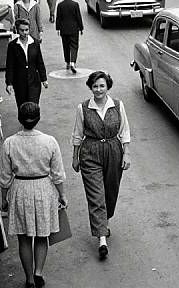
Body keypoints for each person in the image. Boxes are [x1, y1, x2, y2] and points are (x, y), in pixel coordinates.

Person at [0, 102, 66, 288]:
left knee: (24, 238)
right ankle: (38, 273)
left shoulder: (10, 143)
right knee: (42, 235)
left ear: (20, 119)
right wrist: (62, 195)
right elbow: (58, 174)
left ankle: (28, 279)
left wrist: (4, 198)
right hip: (44, 189)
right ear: (38, 119)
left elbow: (4, 176)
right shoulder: (49, 141)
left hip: (20, 189)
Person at [72, 71, 131, 260]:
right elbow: (77, 134)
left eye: (102, 86)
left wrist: (126, 153)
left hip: (114, 150)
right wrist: (75, 157)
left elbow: (125, 131)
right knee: (96, 195)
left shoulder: (118, 106)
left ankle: (104, 221)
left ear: (108, 87)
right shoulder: (82, 108)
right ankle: (102, 239)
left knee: (110, 191)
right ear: (91, 87)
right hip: (90, 152)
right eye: (95, 86)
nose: (98, 90)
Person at [6, 19, 48, 108]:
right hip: (19, 83)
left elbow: (39, 62)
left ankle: (33, 121)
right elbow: (10, 66)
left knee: (33, 107)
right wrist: (9, 83)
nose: (25, 33)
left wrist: (44, 79)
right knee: (23, 107)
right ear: (17, 30)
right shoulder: (13, 45)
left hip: (34, 82)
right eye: (22, 30)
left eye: (26, 30)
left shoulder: (35, 43)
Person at [56, 0, 84, 74]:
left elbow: (58, 18)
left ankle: (67, 62)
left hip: (64, 29)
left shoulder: (60, 5)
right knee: (74, 46)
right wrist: (81, 27)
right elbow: (78, 17)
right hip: (73, 29)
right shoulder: (75, 4)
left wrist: (58, 28)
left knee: (66, 46)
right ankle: (73, 62)